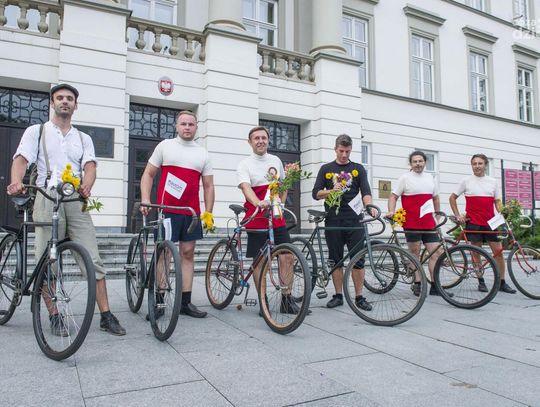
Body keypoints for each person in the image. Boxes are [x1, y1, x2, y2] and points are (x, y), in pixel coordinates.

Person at [7, 83, 126, 336]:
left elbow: (90, 166)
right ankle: (54, 316)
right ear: (52, 103)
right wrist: (17, 181)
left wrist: (87, 185)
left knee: (92, 258)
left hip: (74, 199)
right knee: (47, 259)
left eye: (69, 98)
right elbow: (21, 159)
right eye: (59, 97)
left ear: (75, 105)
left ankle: (106, 315)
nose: (64, 101)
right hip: (47, 194)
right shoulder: (37, 131)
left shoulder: (83, 138)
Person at [140, 110, 215, 318]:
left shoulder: (203, 153)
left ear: (196, 127)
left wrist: (208, 212)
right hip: (167, 211)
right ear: (177, 126)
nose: (187, 127)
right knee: (164, 254)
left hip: (191, 213)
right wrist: (145, 198)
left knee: (188, 254)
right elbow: (148, 174)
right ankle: (160, 301)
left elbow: (208, 186)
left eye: (191, 124)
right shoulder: (165, 146)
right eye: (183, 124)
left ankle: (185, 303)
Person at [236, 126, 300, 315]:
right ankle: (263, 302)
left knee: (287, 256)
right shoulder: (245, 164)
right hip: (256, 216)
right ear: (250, 142)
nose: (260, 141)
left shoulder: (276, 160)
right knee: (260, 261)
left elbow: (283, 185)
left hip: (275, 216)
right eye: (256, 138)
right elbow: (245, 187)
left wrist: (281, 202)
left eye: (264, 138)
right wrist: (257, 203)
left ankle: (286, 300)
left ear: (268, 140)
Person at [312, 134, 373, 311]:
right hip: (333, 220)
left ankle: (359, 297)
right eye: (341, 151)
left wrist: (370, 206)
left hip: (355, 220)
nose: (344, 155)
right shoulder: (326, 169)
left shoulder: (358, 169)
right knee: (335, 260)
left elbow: (366, 191)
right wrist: (331, 190)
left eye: (347, 151)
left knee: (358, 259)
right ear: (335, 149)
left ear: (351, 150)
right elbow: (316, 193)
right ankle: (338, 296)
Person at [449, 154, 516, 294]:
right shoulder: (466, 181)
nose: (477, 166)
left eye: (480, 163)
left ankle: (502, 282)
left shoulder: (493, 182)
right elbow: (452, 198)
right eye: (474, 163)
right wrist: (457, 215)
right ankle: (481, 281)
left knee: (498, 253)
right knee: (476, 253)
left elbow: (497, 201)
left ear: (485, 165)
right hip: (473, 222)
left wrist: (503, 213)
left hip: (490, 222)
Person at [387, 151, 443, 296]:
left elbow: (436, 198)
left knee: (436, 253)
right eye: (415, 161)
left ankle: (435, 286)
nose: (418, 164)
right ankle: (417, 283)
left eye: (420, 161)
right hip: (412, 222)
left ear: (425, 162)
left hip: (429, 222)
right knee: (414, 253)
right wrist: (391, 211)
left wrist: (437, 215)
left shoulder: (430, 178)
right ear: (410, 164)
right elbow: (393, 196)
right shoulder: (405, 178)